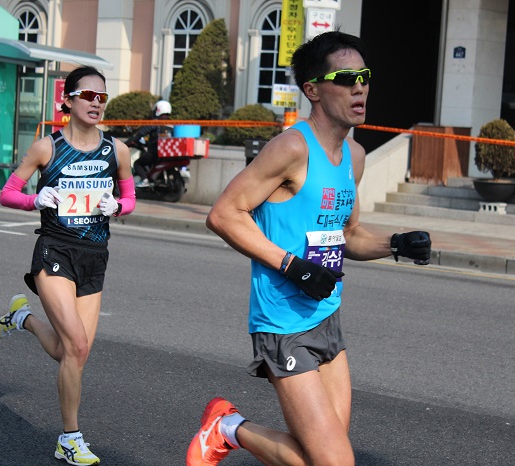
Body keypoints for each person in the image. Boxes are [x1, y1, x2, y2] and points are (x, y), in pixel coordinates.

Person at [186, 30, 432, 466]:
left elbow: (348, 234)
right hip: (283, 323)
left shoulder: (354, 156)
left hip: (327, 316)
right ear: (313, 90)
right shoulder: (292, 147)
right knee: (336, 461)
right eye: (346, 77)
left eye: (365, 75)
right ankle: (227, 429)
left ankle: (226, 428)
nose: (360, 86)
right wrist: (293, 266)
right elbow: (224, 213)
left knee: (318, 457)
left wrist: (395, 243)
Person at [0, 66, 135, 466]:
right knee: (75, 345)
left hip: (95, 257)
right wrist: (35, 200)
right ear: (68, 100)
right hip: (54, 252)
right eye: (88, 96)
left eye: (102, 97)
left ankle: (22, 319)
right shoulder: (47, 148)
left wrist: (118, 207)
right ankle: (70, 438)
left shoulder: (116, 150)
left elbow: (130, 198)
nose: (96, 103)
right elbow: (8, 192)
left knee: (71, 351)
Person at [125, 99, 172, 187]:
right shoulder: (170, 124)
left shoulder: (155, 122)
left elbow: (141, 133)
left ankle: (144, 180)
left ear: (158, 110)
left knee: (137, 164)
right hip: (166, 152)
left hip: (155, 151)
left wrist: (132, 140)